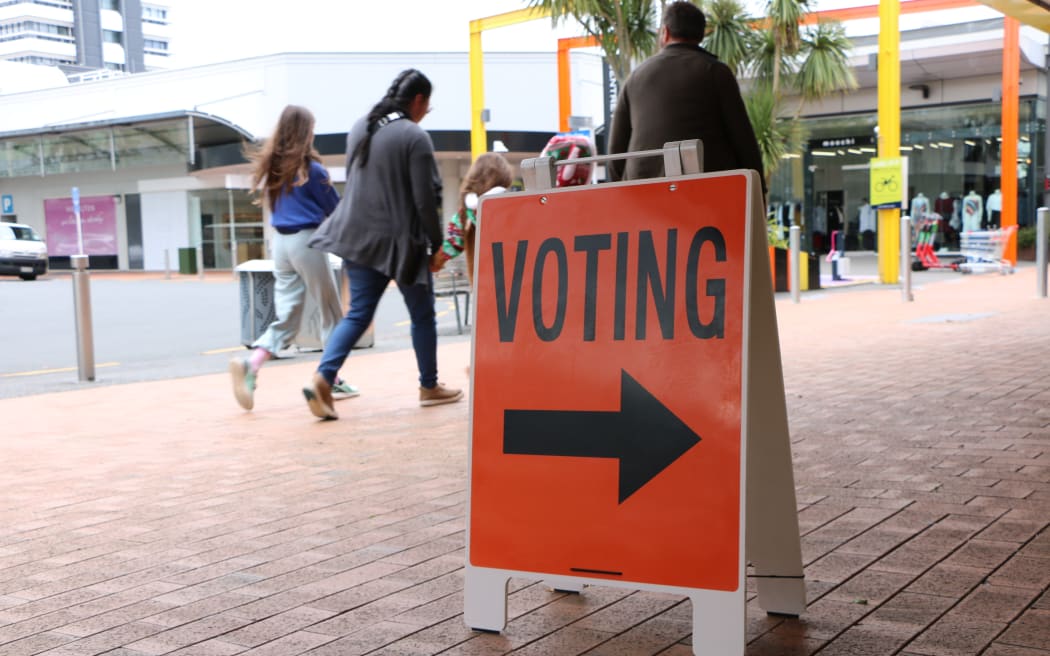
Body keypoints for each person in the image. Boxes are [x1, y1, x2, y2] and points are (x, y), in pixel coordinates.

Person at [304, 69, 461, 420]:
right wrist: (437, 246)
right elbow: (424, 201)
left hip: (356, 238)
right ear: (419, 101)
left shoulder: (361, 126)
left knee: (358, 313)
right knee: (422, 315)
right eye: (427, 107)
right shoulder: (414, 135)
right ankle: (429, 386)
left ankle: (323, 376)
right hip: (399, 243)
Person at [229, 104, 359, 411]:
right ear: (304, 132)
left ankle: (253, 363)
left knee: (287, 315)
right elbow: (336, 210)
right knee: (330, 312)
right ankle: (330, 378)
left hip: (281, 246)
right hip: (306, 241)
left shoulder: (275, 169)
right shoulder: (311, 171)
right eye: (311, 128)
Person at [607, 0, 765, 195]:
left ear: (665, 32)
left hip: (644, 197)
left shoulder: (635, 77)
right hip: (706, 196)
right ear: (701, 34)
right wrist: (759, 192)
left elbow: (616, 153)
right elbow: (743, 140)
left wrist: (621, 195)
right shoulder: (715, 72)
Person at [431, 152, 513, 285]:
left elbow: (452, 244)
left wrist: (433, 263)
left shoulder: (467, 213)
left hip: (484, 286)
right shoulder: (515, 205)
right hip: (518, 280)